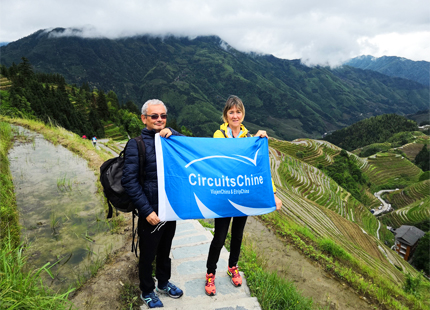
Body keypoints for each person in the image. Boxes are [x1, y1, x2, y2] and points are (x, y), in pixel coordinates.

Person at [205, 95, 282, 296]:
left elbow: (260, 168)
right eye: (231, 112)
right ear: (225, 115)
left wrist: (272, 193)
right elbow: (221, 162)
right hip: (224, 194)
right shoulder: (218, 135)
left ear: (243, 114)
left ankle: (233, 267)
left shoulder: (250, 139)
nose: (235, 115)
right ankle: (210, 273)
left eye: (238, 112)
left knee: (237, 236)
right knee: (219, 238)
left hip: (243, 195)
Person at [122, 99, 184, 308]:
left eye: (163, 116)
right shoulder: (136, 144)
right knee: (148, 254)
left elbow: (190, 149)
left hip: (169, 209)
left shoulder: (170, 139)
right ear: (144, 119)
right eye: (154, 116)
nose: (159, 119)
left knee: (165, 250)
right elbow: (129, 181)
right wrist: (146, 210)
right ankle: (147, 290)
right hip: (151, 212)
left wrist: (173, 133)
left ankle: (164, 283)